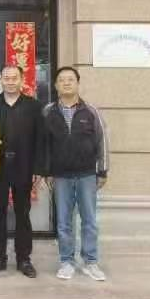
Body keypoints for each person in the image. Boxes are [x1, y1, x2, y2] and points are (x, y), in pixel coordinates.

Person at [40, 66, 109, 282]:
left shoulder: (91, 111)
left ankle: (90, 262)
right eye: (62, 80)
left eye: (71, 79)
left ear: (78, 83)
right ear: (56, 85)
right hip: (60, 175)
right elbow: (44, 144)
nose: (66, 83)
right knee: (63, 221)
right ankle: (67, 262)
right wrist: (46, 172)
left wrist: (102, 170)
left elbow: (102, 142)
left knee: (89, 220)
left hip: (87, 174)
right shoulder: (48, 112)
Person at [0, 65, 43, 278]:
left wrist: (38, 168)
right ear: (1, 81)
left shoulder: (33, 106)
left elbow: (40, 139)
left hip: (24, 166)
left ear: (22, 80)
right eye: (6, 78)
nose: (10, 81)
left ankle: (24, 258)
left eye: (14, 78)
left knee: (22, 213)